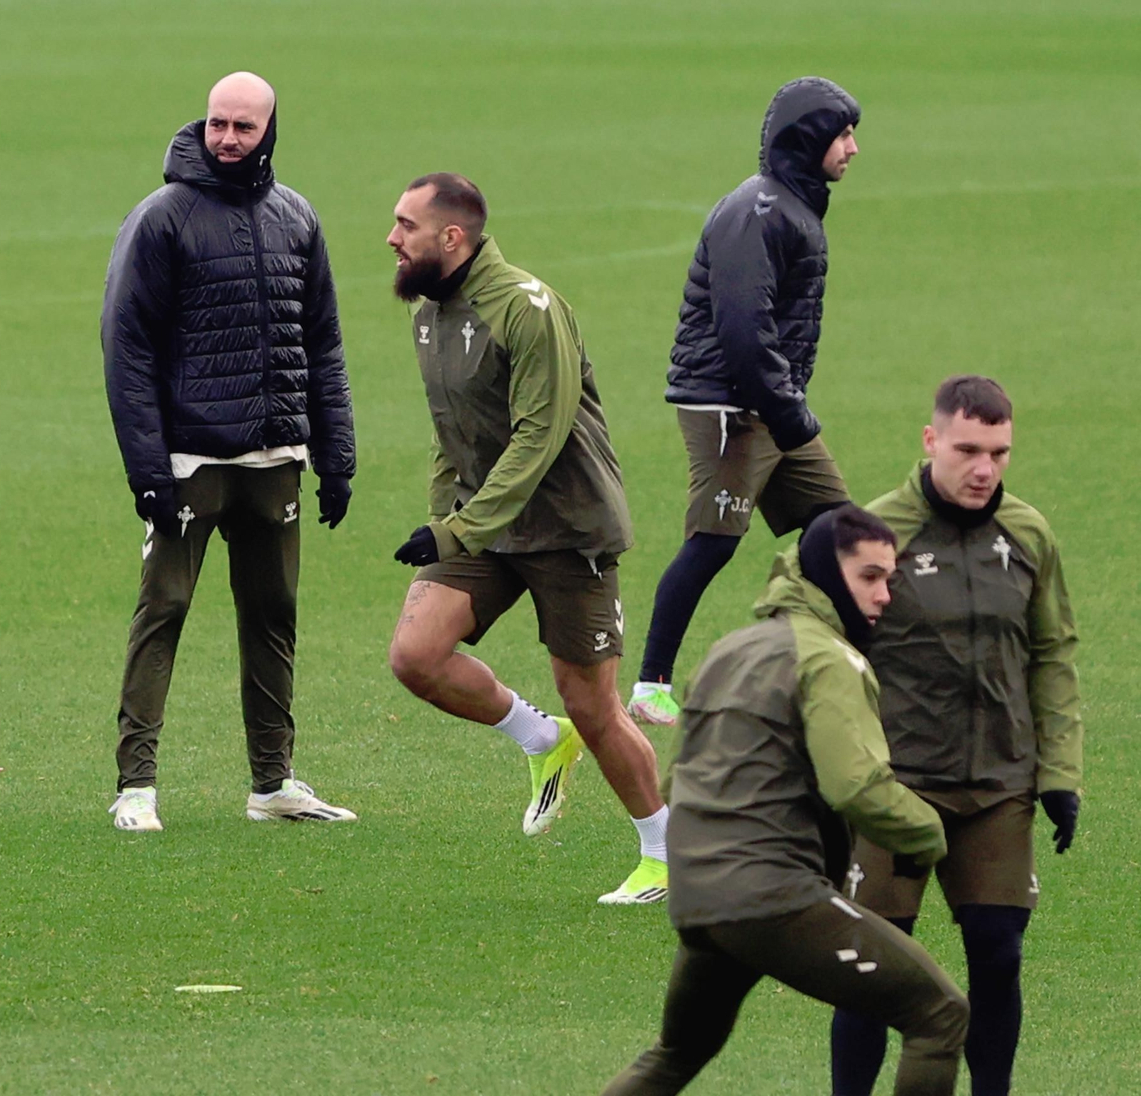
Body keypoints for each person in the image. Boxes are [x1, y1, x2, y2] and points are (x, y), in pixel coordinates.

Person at [601, 506, 969, 1096]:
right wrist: (936, 836)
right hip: (770, 896)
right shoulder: (830, 658)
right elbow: (857, 785)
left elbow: (676, 782)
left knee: (677, 1052)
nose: (884, 595)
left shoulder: (730, 648)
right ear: (826, 572)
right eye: (869, 576)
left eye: (890, 579)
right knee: (940, 1013)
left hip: (698, 895)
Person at [384, 173, 667, 904]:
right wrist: (446, 520)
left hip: (567, 528)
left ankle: (666, 854)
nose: (392, 238)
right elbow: (452, 434)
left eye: (407, 226)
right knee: (416, 655)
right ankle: (541, 739)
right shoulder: (429, 315)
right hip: (487, 523)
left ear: (452, 237)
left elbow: (540, 436)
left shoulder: (528, 310)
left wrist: (459, 528)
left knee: (593, 706)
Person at [102, 71, 357, 832]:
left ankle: (272, 784)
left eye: (244, 127)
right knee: (164, 609)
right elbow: (127, 347)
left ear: (269, 131)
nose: (228, 138)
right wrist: (148, 470)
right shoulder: (162, 218)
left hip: (275, 458)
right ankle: (136, 786)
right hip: (191, 462)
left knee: (274, 613)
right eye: (218, 123)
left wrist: (336, 456)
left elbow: (322, 343)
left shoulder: (297, 216)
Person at [830, 376, 1083, 1096]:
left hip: (1000, 784)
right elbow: (828, 660)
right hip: (895, 787)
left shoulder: (1028, 535)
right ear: (931, 440)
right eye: (968, 450)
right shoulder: (875, 534)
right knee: (874, 967)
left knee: (999, 954)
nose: (984, 469)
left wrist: (1061, 774)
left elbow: (1053, 655)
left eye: (999, 453)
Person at [628, 76, 863, 726]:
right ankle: (650, 686)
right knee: (713, 542)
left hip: (769, 401)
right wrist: (787, 411)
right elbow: (741, 327)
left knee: (838, 527)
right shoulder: (757, 212)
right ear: (809, 139)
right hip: (731, 406)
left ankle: (842, 659)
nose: (853, 149)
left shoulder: (791, 205)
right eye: (843, 135)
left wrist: (786, 408)